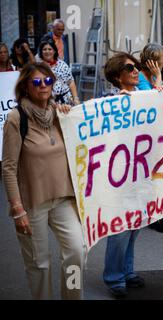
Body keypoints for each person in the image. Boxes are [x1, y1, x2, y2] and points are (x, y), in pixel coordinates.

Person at [2, 62, 86, 299]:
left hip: (63, 199)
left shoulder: (61, 114)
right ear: (26, 87)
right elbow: (8, 168)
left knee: (77, 252)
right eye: (37, 82)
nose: (43, 86)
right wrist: (17, 209)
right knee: (39, 264)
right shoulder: (16, 119)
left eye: (48, 81)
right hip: (32, 203)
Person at [103, 52, 145, 298]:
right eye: (130, 68)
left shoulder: (145, 98)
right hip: (118, 175)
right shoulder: (108, 101)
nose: (135, 71)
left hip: (141, 172)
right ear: (118, 76)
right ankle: (114, 277)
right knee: (120, 228)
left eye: (136, 67)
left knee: (135, 225)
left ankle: (127, 271)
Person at [137, 43, 163, 233]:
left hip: (156, 132)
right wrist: (158, 78)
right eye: (162, 61)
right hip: (146, 135)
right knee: (152, 177)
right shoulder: (141, 77)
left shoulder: (148, 76)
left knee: (158, 176)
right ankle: (152, 214)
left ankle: (156, 213)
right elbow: (151, 100)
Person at [38, 40, 79, 106]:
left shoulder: (62, 65)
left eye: (50, 49)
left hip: (66, 101)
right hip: (48, 103)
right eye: (44, 49)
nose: (47, 51)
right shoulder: (38, 67)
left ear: (54, 51)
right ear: (41, 52)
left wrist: (76, 98)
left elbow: (71, 82)